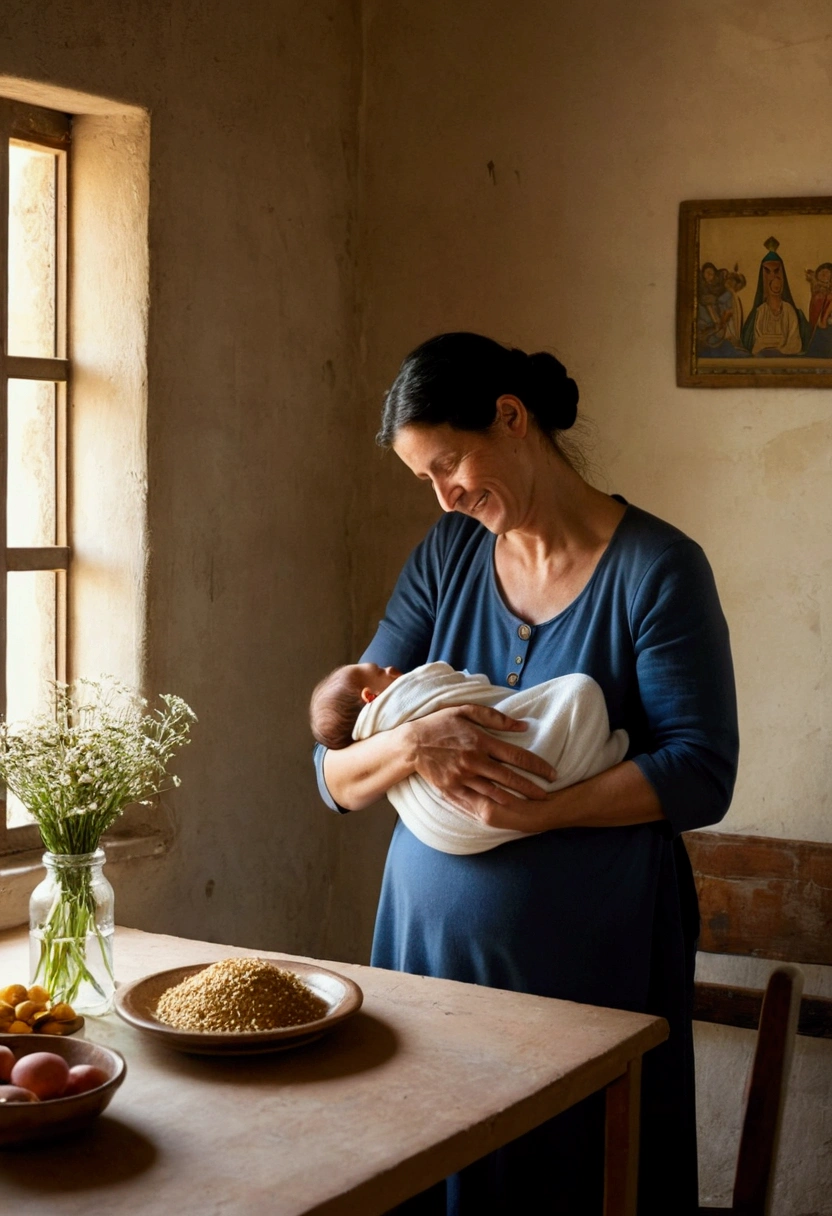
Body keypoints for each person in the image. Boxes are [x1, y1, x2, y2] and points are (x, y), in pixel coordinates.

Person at [312, 332, 739, 1216]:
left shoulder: (656, 570)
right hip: (426, 962)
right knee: (429, 1176)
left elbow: (701, 773)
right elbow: (336, 765)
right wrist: (413, 746)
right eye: (425, 479)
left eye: (451, 463)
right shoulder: (448, 556)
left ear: (512, 418)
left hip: (587, 972)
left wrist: (537, 814)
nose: (446, 495)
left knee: (572, 1179)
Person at [310, 659, 629, 855]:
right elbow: (330, 770)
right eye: (380, 670)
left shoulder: (650, 573)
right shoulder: (440, 565)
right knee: (579, 694)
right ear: (371, 698)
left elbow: (678, 768)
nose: (391, 668)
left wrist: (540, 815)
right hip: (432, 910)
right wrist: (411, 742)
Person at [740, 237, 808, 356]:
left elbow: (795, 343)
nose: (772, 277)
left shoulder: (789, 310)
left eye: (776, 271)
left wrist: (779, 349)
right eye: (767, 271)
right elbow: (757, 344)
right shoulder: (760, 311)